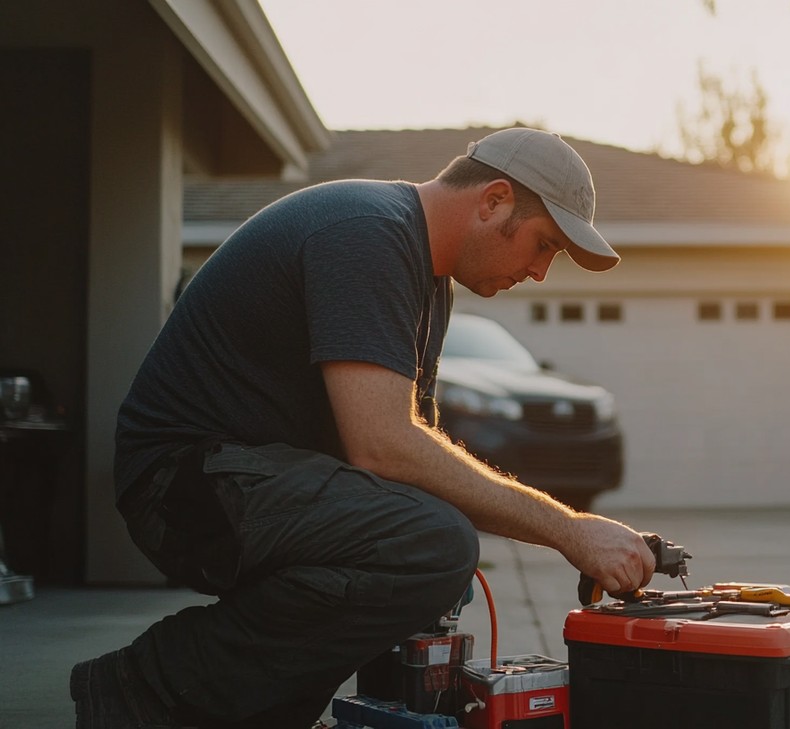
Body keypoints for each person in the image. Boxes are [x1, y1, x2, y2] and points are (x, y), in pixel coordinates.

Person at [70, 128, 657, 729]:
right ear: (494, 201)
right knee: (433, 545)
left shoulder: (428, 277)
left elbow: (417, 460)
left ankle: (272, 710)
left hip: (244, 477)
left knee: (436, 547)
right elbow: (382, 447)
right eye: (544, 245)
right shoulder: (367, 233)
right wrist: (568, 529)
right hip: (182, 483)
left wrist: (566, 532)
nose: (539, 273)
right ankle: (148, 685)